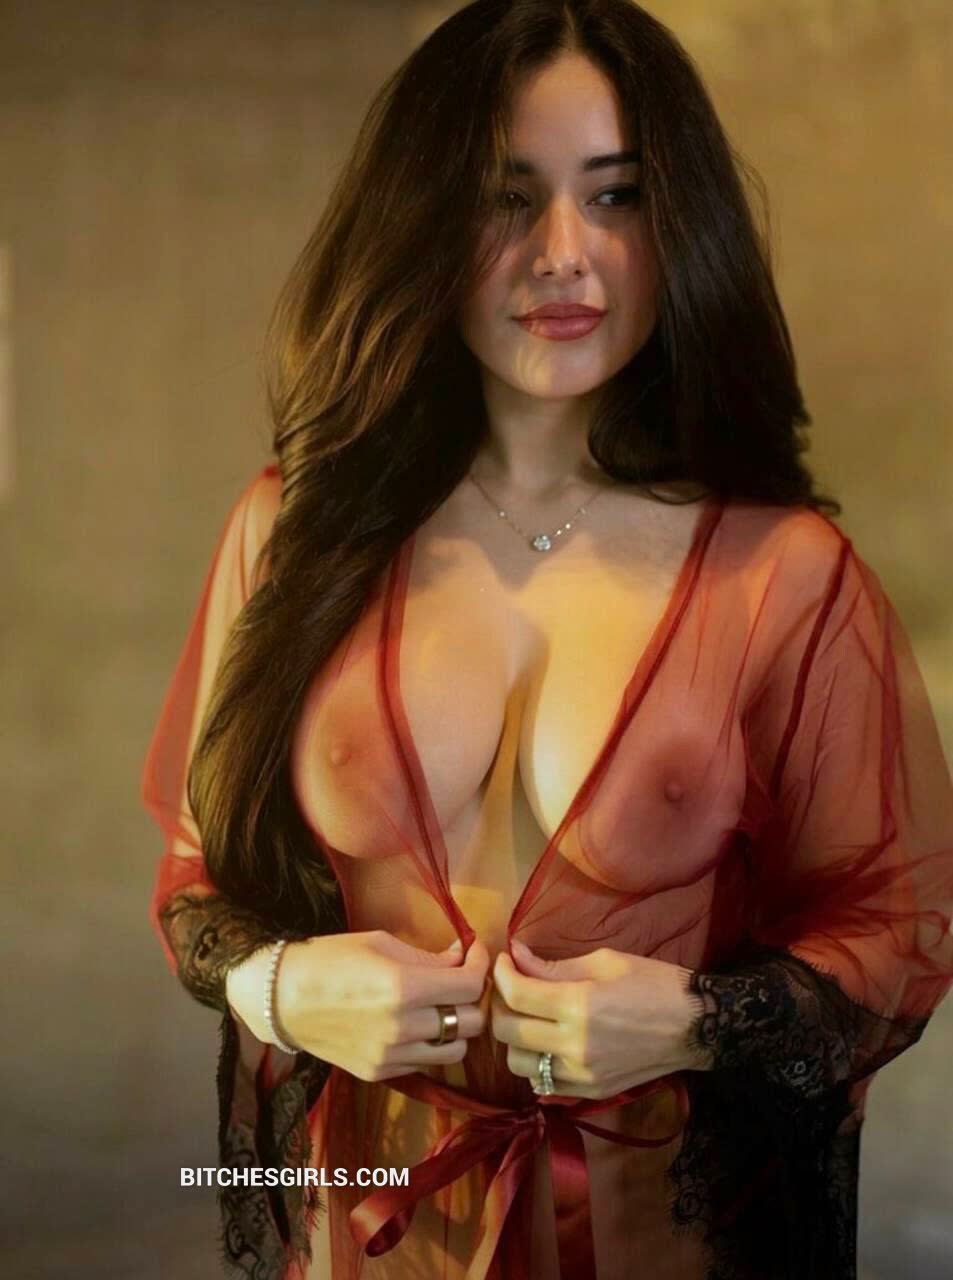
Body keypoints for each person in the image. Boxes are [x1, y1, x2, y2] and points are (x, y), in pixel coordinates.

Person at [141, 2, 953, 1278]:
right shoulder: (292, 534)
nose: (562, 254)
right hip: (368, 1225)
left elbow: (894, 923)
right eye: (504, 198)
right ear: (421, 221)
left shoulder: (782, 576)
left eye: (615, 195)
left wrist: (695, 1020)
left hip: (662, 1235)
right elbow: (201, 869)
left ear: (676, 225)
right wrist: (278, 986)